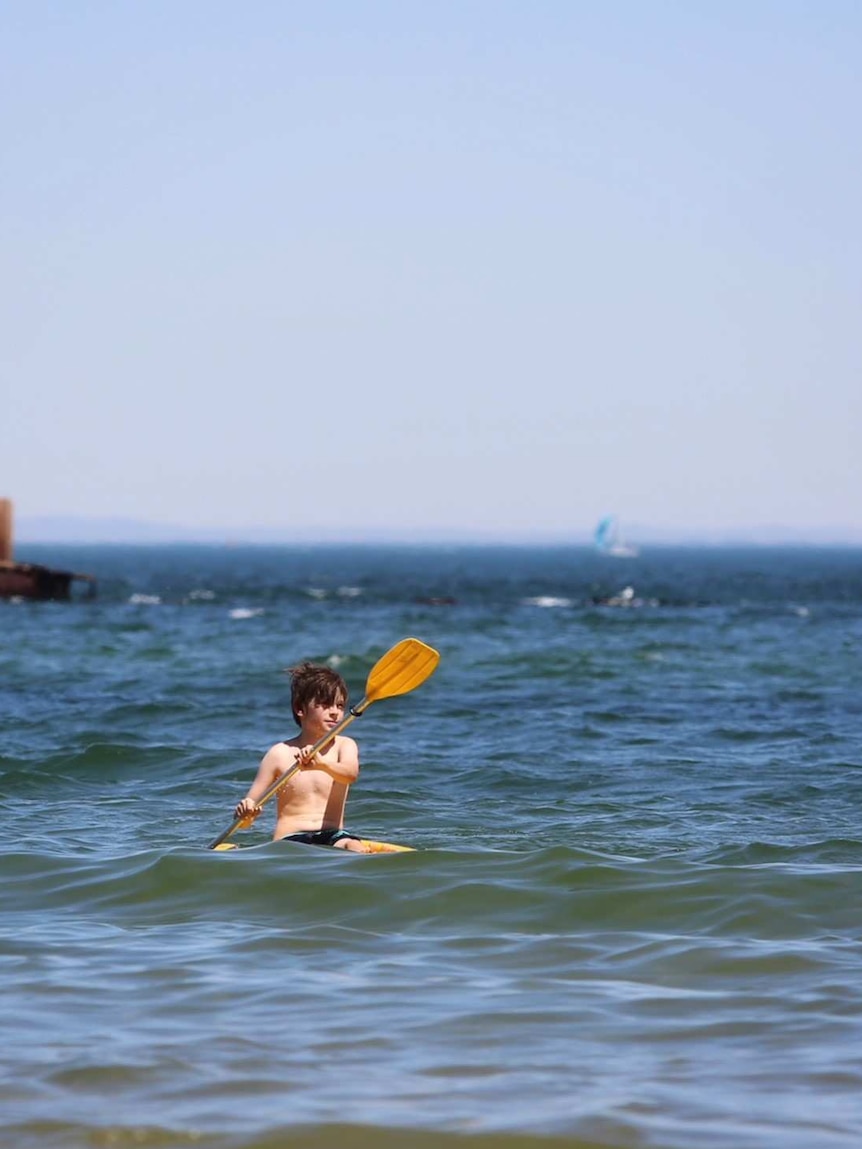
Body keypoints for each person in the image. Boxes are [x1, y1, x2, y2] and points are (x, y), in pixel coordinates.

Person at [233, 661, 371, 853]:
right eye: (325, 704)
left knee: (354, 846)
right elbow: (246, 820)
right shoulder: (279, 753)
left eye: (339, 706)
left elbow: (350, 774)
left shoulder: (344, 746)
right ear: (300, 709)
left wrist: (321, 764)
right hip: (290, 838)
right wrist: (247, 811)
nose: (334, 712)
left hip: (333, 835)